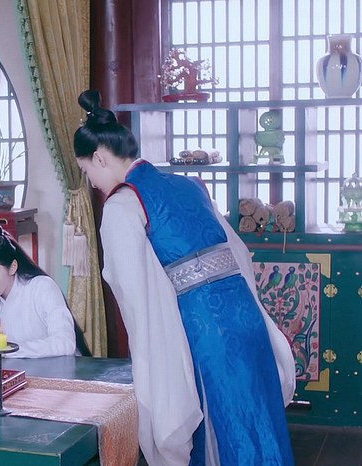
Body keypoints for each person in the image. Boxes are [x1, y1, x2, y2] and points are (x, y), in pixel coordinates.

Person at [73, 89, 296, 466]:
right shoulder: (191, 185)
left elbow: (135, 295)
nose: (92, 181)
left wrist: (158, 364)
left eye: (87, 171)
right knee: (258, 419)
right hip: (245, 318)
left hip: (202, 330)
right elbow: (237, 253)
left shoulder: (123, 203)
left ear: (99, 157)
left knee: (220, 427)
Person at [0, 223, 82, 358]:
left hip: (60, 369)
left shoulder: (42, 287)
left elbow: (65, 344)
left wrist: (9, 350)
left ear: (12, 267)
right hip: (17, 369)